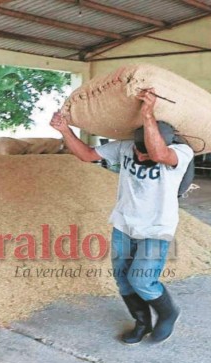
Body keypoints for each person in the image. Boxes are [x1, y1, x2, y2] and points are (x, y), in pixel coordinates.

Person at [50, 88, 194, 344]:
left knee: (142, 279)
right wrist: (64, 130)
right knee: (122, 279)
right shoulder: (126, 147)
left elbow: (159, 154)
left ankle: (169, 313)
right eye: (137, 151)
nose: (139, 155)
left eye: (145, 153)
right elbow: (86, 155)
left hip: (156, 228)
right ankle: (141, 322)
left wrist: (147, 113)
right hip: (123, 224)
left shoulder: (181, 154)